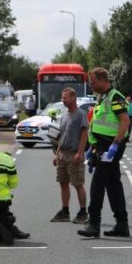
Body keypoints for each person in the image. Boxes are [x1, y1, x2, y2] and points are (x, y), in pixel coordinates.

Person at [77, 67, 130, 239]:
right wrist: (91, 150)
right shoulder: (102, 98)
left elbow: (125, 120)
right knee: (113, 184)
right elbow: (98, 125)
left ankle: (94, 224)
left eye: (93, 82)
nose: (91, 85)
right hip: (101, 146)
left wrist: (115, 144)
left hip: (110, 146)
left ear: (102, 80)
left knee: (98, 184)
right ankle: (122, 224)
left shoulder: (115, 96)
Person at [50, 87, 89, 224]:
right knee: (63, 182)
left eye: (65, 97)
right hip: (62, 154)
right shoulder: (64, 115)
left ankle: (83, 212)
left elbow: (84, 134)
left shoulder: (80, 114)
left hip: (74, 154)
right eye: (62, 97)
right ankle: (65, 211)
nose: (63, 100)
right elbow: (62, 136)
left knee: (78, 183)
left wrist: (80, 152)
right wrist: (57, 153)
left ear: (73, 98)